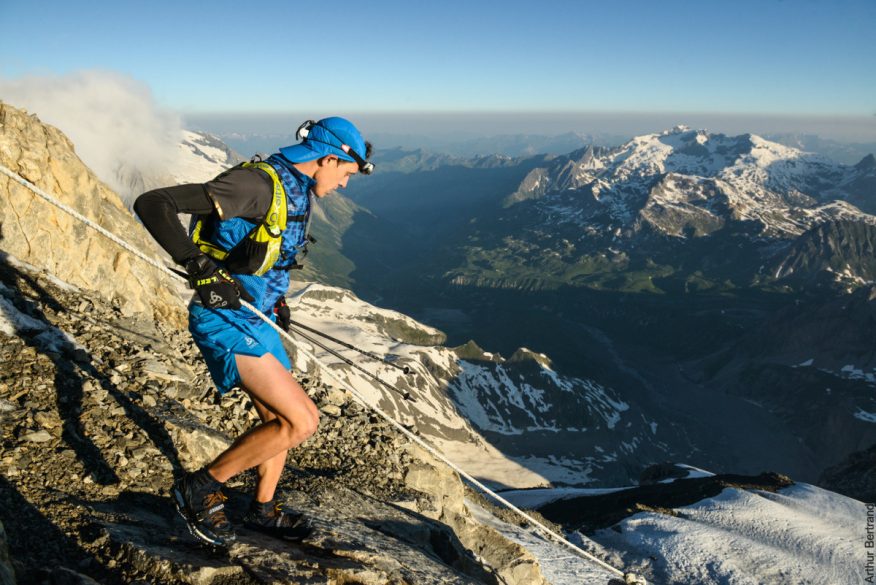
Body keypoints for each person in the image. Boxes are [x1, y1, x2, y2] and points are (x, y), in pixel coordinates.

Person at [134, 117, 373, 546]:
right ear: (328, 158)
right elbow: (154, 203)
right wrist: (201, 270)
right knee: (302, 421)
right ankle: (200, 488)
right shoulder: (256, 186)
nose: (345, 185)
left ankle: (262, 509)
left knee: (277, 419)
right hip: (223, 322)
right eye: (346, 174)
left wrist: (276, 301)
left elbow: (263, 254)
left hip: (254, 316)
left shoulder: (297, 187)